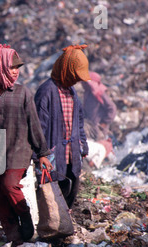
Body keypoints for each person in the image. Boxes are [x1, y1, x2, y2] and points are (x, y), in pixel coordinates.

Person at [0, 44, 52, 247]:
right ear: (0, 68)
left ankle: (25, 215)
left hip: (19, 150)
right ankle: (15, 239)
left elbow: (34, 123)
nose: (16, 71)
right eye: (12, 67)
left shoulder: (23, 93)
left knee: (9, 185)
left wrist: (42, 152)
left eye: (17, 68)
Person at [34, 44, 90, 209]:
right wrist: (39, 155)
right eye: (75, 75)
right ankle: (51, 229)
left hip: (71, 155)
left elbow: (79, 123)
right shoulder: (47, 92)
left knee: (71, 190)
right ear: (66, 70)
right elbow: (38, 128)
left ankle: (64, 227)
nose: (77, 80)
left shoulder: (72, 92)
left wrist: (83, 147)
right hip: (52, 156)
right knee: (50, 198)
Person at [81, 71, 117, 169]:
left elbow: (112, 108)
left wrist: (105, 122)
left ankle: (98, 165)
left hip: (98, 127)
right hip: (90, 125)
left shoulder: (99, 93)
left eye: (85, 82)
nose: (82, 84)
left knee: (99, 147)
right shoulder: (88, 93)